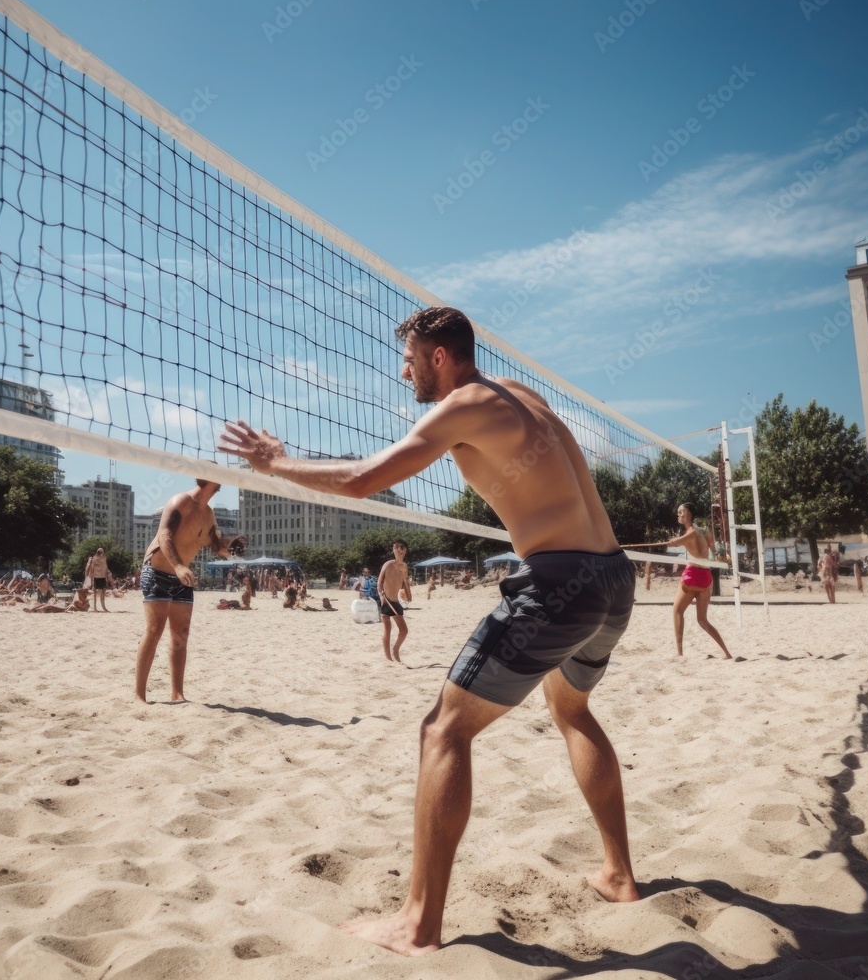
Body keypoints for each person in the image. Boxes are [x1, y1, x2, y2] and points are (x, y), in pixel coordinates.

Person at [218, 305, 639, 956]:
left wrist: (275, 463)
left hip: (560, 585)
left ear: (439, 357)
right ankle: (618, 875)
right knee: (573, 710)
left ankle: (419, 924)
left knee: (443, 731)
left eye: (409, 359)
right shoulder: (524, 395)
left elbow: (362, 479)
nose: (403, 370)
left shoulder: (461, 405)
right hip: (614, 580)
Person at [134, 479, 236, 703]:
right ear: (208, 480)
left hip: (183, 576)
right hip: (158, 571)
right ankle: (139, 695)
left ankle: (177, 694)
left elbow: (216, 545)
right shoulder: (180, 501)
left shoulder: (208, 514)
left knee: (181, 634)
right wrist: (179, 566)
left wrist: (229, 546)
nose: (222, 481)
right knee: (154, 631)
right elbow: (165, 536)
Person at [666, 503, 731, 659]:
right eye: (678, 512)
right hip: (706, 578)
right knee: (702, 620)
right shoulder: (705, 531)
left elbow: (678, 541)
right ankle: (727, 653)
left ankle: (680, 653)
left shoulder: (690, 533)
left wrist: (672, 542)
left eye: (682, 512)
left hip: (693, 575)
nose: (679, 514)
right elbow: (715, 550)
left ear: (690, 514)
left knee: (677, 611)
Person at [378, 540, 412, 662]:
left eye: (402, 547)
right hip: (386, 599)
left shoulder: (404, 567)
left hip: (396, 601)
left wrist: (408, 594)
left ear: (405, 550)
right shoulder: (388, 564)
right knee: (388, 628)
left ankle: (396, 650)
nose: (399, 550)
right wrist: (382, 596)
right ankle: (388, 659)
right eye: (397, 547)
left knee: (404, 630)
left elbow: (405, 583)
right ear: (393, 550)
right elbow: (379, 583)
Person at [85, 547, 111, 612]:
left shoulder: (104, 558)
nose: (101, 553)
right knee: (95, 593)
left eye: (101, 552)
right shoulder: (94, 559)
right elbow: (92, 568)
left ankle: (104, 607)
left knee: (103, 592)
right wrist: (91, 577)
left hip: (102, 577)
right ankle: (95, 608)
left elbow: (106, 567)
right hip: (96, 577)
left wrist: (107, 575)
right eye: (99, 552)